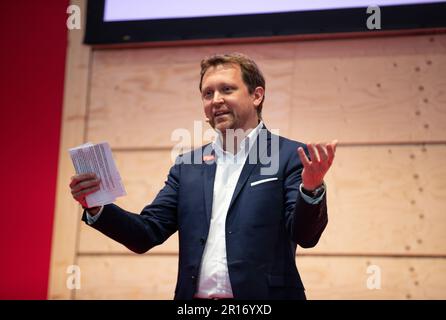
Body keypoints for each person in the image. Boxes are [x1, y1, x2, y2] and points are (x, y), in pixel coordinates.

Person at [70, 53, 337, 300]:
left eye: (227, 89)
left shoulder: (288, 155)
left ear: (257, 96)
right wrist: (97, 206)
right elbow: (145, 234)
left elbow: (306, 236)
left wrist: (311, 190)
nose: (216, 100)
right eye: (207, 93)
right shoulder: (188, 166)